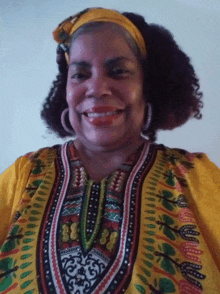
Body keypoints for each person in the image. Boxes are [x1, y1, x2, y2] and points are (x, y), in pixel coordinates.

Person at [0, 7, 219, 294]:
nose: (97, 88)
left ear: (147, 85)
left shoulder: (195, 176)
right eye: (80, 74)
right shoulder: (23, 175)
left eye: (118, 72)